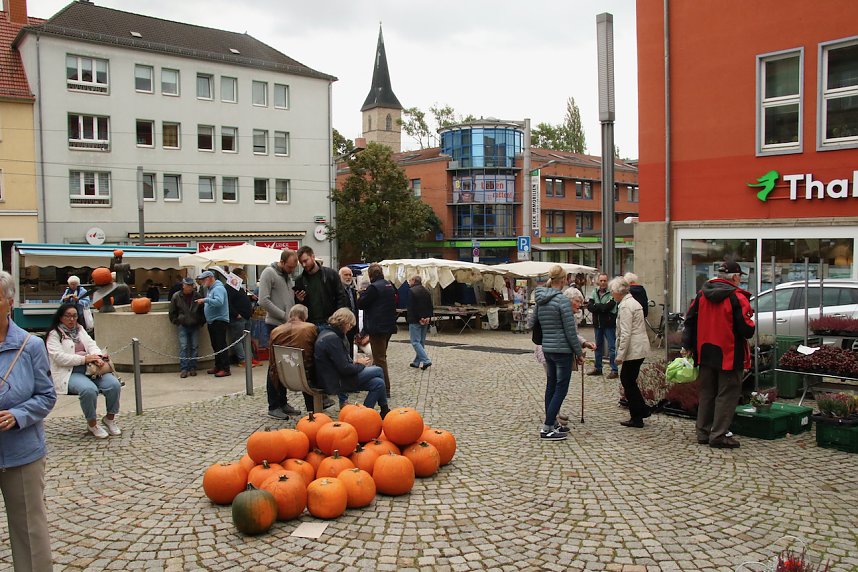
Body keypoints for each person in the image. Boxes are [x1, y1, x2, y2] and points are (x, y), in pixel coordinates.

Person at [0, 270, 56, 571]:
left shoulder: (30, 346)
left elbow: (47, 396)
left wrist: (18, 415)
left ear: (9, 302)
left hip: (22, 453)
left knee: (29, 533)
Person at [682, 261, 755, 449]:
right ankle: (719, 434)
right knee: (727, 394)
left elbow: (689, 321)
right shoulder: (737, 297)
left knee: (707, 393)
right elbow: (746, 330)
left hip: (705, 351)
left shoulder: (701, 295)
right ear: (736, 277)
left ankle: (703, 432)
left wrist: (688, 345)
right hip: (729, 353)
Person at [46, 302, 122, 439]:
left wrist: (97, 357)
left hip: (92, 368)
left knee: (114, 385)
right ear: (60, 317)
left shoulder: (80, 330)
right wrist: (84, 359)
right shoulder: (54, 335)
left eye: (74, 316)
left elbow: (92, 345)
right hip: (70, 372)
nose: (71, 319)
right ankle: (92, 423)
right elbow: (59, 358)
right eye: (68, 316)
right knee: (88, 390)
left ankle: (109, 418)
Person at [532, 265, 584, 441]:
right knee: (561, 388)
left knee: (551, 386)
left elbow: (532, 322)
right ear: (563, 280)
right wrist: (579, 352)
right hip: (562, 350)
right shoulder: (562, 301)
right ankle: (547, 427)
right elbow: (570, 331)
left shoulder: (540, 299)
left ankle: (552, 423)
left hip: (547, 347)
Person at [314, 308, 390, 418]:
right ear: (344, 322)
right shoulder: (333, 339)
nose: (350, 329)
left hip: (334, 376)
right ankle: (383, 410)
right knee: (378, 370)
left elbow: (340, 362)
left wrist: (354, 362)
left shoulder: (328, 333)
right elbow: (345, 369)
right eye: (350, 325)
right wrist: (360, 364)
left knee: (378, 383)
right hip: (336, 381)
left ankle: (363, 415)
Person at [268, 304, 333, 417]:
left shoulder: (275, 331)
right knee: (310, 362)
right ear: (305, 316)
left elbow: (272, 358)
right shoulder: (310, 328)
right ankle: (314, 405)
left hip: (282, 375)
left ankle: (276, 405)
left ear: (290, 315)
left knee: (272, 366)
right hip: (304, 375)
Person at [258, 250, 301, 416]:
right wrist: (284, 315)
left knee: (284, 365)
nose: (292, 270)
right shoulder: (269, 273)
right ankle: (273, 405)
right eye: (290, 267)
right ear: (282, 262)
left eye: (293, 267)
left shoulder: (287, 276)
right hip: (275, 325)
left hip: (286, 326)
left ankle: (282, 402)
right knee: (275, 367)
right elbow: (263, 300)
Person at [610, 276, 652, 428]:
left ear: (618, 291)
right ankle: (641, 410)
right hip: (637, 347)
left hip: (633, 348)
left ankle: (638, 414)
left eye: (612, 291)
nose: (611, 294)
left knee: (627, 380)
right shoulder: (631, 302)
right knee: (629, 380)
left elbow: (626, 333)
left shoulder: (627, 306)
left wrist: (620, 355)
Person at [357, 263, 397, 397]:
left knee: (380, 358)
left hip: (377, 328)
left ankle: (385, 389)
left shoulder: (373, 287)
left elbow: (361, 304)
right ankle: (374, 382)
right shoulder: (389, 285)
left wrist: (361, 294)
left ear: (370, 274)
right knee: (380, 356)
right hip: (388, 326)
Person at [294, 246, 348, 327]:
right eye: (301, 263)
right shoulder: (300, 280)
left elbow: (341, 296)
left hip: (330, 321)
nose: (304, 265)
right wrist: (299, 300)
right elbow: (298, 306)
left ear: (313, 256)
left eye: (305, 261)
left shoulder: (331, 274)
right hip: (309, 323)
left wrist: (337, 318)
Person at [195, 271, 231, 377]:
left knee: (220, 345)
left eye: (203, 279)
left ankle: (225, 368)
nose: (202, 282)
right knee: (215, 345)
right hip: (213, 321)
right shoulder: (211, 289)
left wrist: (205, 300)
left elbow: (219, 302)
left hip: (219, 320)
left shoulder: (218, 288)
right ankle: (218, 366)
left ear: (210, 278)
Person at [168, 277, 205, 378]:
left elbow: (202, 310)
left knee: (194, 347)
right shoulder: (176, 296)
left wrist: (201, 321)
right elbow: (172, 311)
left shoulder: (197, 295)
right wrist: (177, 321)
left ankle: (193, 367)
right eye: (188, 285)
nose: (190, 287)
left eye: (191, 285)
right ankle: (184, 368)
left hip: (195, 324)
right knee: (183, 347)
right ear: (183, 286)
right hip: (183, 325)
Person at [586, 273, 619, 379]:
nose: (603, 283)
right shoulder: (594, 291)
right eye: (601, 280)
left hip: (609, 324)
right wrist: (600, 307)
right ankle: (598, 368)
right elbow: (589, 306)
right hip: (598, 324)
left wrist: (598, 306)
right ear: (598, 281)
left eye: (605, 280)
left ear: (607, 281)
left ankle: (614, 370)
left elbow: (608, 306)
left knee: (612, 347)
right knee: (597, 347)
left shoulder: (612, 292)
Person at [406, 274, 433, 370]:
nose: (408, 282)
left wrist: (419, 318)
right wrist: (428, 317)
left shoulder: (411, 291)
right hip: (425, 319)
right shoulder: (426, 290)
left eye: (409, 280)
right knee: (421, 341)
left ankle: (426, 360)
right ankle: (416, 362)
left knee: (415, 342)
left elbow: (412, 307)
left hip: (415, 319)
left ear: (414, 281)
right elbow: (430, 305)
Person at [339, 266, 359, 349]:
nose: (348, 277)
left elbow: (355, 309)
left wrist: (356, 328)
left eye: (350, 275)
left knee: (350, 348)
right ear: (340, 276)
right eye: (345, 275)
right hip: (342, 325)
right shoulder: (337, 290)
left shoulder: (353, 291)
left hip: (351, 325)